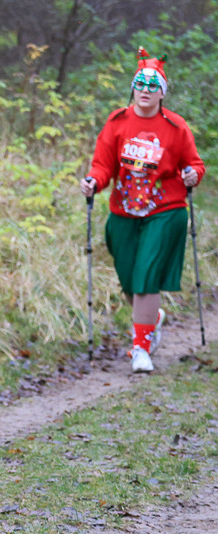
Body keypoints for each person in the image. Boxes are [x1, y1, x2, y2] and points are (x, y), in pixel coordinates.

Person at [80, 47, 205, 372]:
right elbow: (103, 165)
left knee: (146, 275)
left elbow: (193, 164)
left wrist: (193, 174)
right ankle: (153, 319)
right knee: (129, 279)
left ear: (162, 92)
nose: (146, 91)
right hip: (123, 213)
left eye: (153, 86)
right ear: (133, 87)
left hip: (165, 210)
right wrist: (94, 181)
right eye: (141, 84)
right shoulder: (118, 122)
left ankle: (140, 349)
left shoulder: (176, 127)